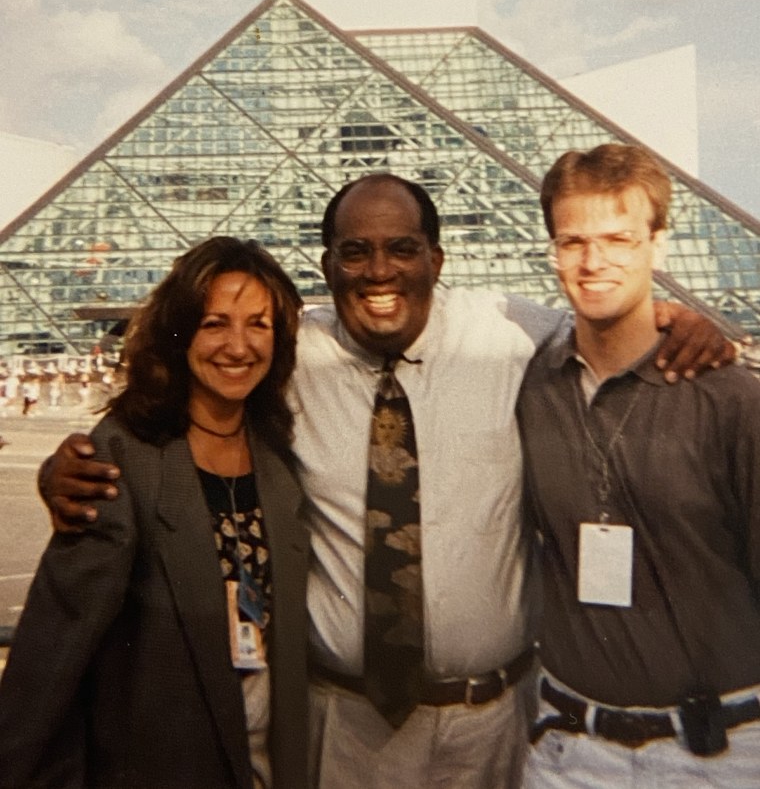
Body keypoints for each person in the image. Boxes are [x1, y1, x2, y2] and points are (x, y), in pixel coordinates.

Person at [38, 174, 736, 789]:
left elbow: (613, 327)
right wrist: (78, 460)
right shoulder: (288, 348)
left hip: (495, 723)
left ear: (436, 258)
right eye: (356, 251)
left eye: (403, 248)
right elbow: (186, 392)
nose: (380, 271)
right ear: (328, 264)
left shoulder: (511, 334)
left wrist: (683, 320)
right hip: (343, 725)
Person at [0, 237, 310, 789]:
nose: (238, 346)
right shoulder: (123, 454)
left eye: (259, 324)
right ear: (179, 330)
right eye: (215, 323)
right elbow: (52, 652)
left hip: (269, 763)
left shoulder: (280, 449)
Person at [517, 144, 760, 787]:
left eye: (619, 238)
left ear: (659, 245)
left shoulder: (735, 402)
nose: (593, 262)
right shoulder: (530, 380)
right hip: (568, 753)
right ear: (552, 251)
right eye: (573, 241)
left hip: (714, 755)